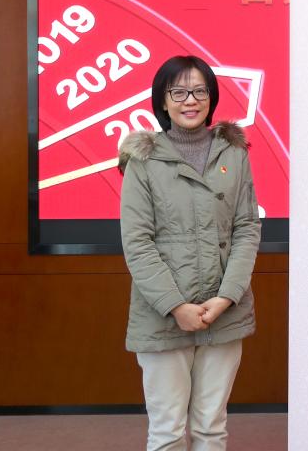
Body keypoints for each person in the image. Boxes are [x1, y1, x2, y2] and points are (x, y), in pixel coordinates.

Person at [119, 55, 261, 451]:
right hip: (162, 316)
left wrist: (227, 296)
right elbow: (137, 242)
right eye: (178, 92)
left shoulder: (233, 153)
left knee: (211, 428)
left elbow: (247, 227)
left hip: (224, 312)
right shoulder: (143, 160)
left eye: (199, 91)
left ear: (211, 97)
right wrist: (176, 306)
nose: (190, 100)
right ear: (163, 101)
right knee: (167, 431)